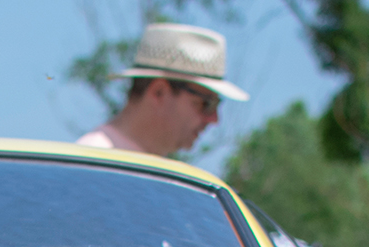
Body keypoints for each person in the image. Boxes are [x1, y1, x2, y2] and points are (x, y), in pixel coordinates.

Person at [75, 23, 248, 158]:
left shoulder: (145, 170)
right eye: (205, 103)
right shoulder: (93, 163)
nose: (214, 119)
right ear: (159, 92)